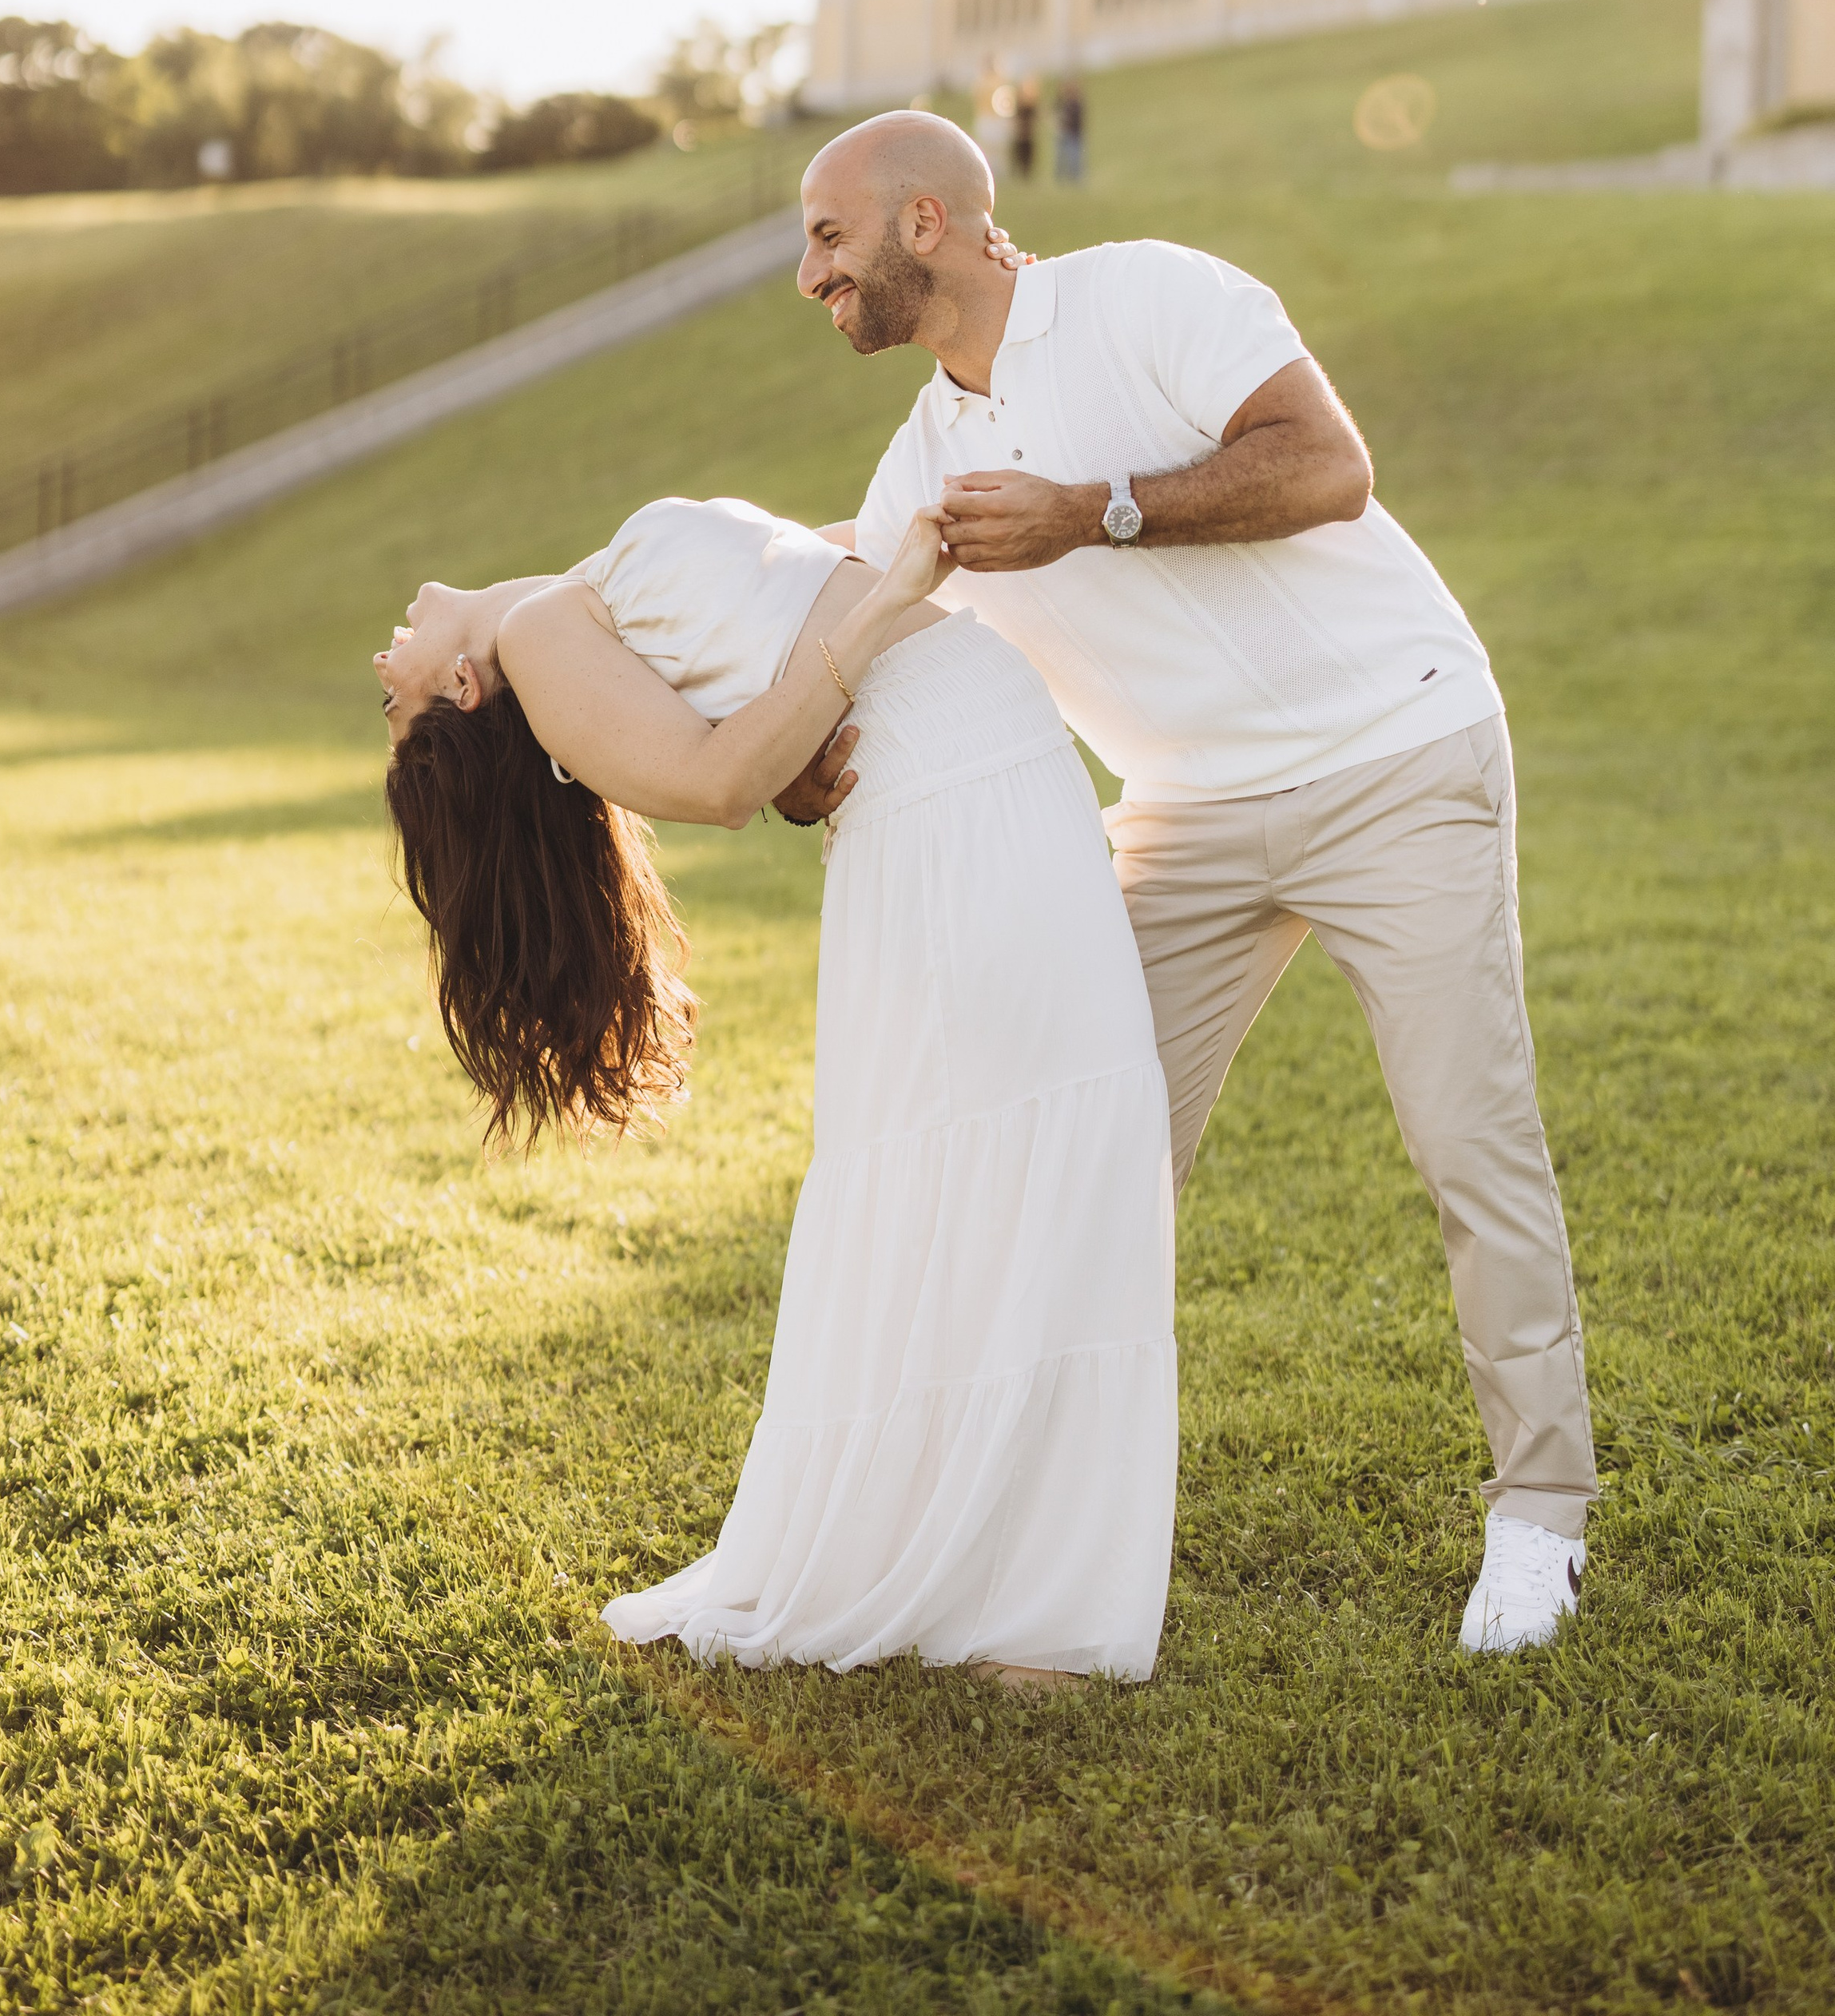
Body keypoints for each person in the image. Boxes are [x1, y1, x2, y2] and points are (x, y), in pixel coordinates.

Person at [782, 112, 1596, 1655]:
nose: (808, 273)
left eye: (828, 237)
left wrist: (1093, 512)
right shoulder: (920, 463)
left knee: (1468, 1141)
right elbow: (851, 614)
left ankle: (1540, 1517)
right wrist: (794, 751)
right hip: (1182, 817)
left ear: (925, 224)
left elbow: (1329, 467)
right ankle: (1032, 1526)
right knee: (1081, 1159)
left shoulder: (1148, 295)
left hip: (1396, 750)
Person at [375, 494, 1176, 1685]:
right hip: (952, 776)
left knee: (1043, 1146)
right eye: (393, 706)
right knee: (1012, 1153)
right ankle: (1019, 1602)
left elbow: (762, 671)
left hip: (985, 747)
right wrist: (888, 602)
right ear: (462, 686)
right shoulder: (534, 637)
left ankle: (1017, 1574)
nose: (379, 669)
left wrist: (873, 586)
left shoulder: (574, 610)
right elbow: (719, 780)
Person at [1054, 81, 1086, 184]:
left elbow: (1078, 119)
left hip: (1074, 133)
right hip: (1064, 133)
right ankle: (1061, 177)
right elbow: (1056, 110)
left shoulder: (1076, 104)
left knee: (1074, 157)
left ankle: (1075, 177)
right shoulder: (1063, 103)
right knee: (1061, 158)